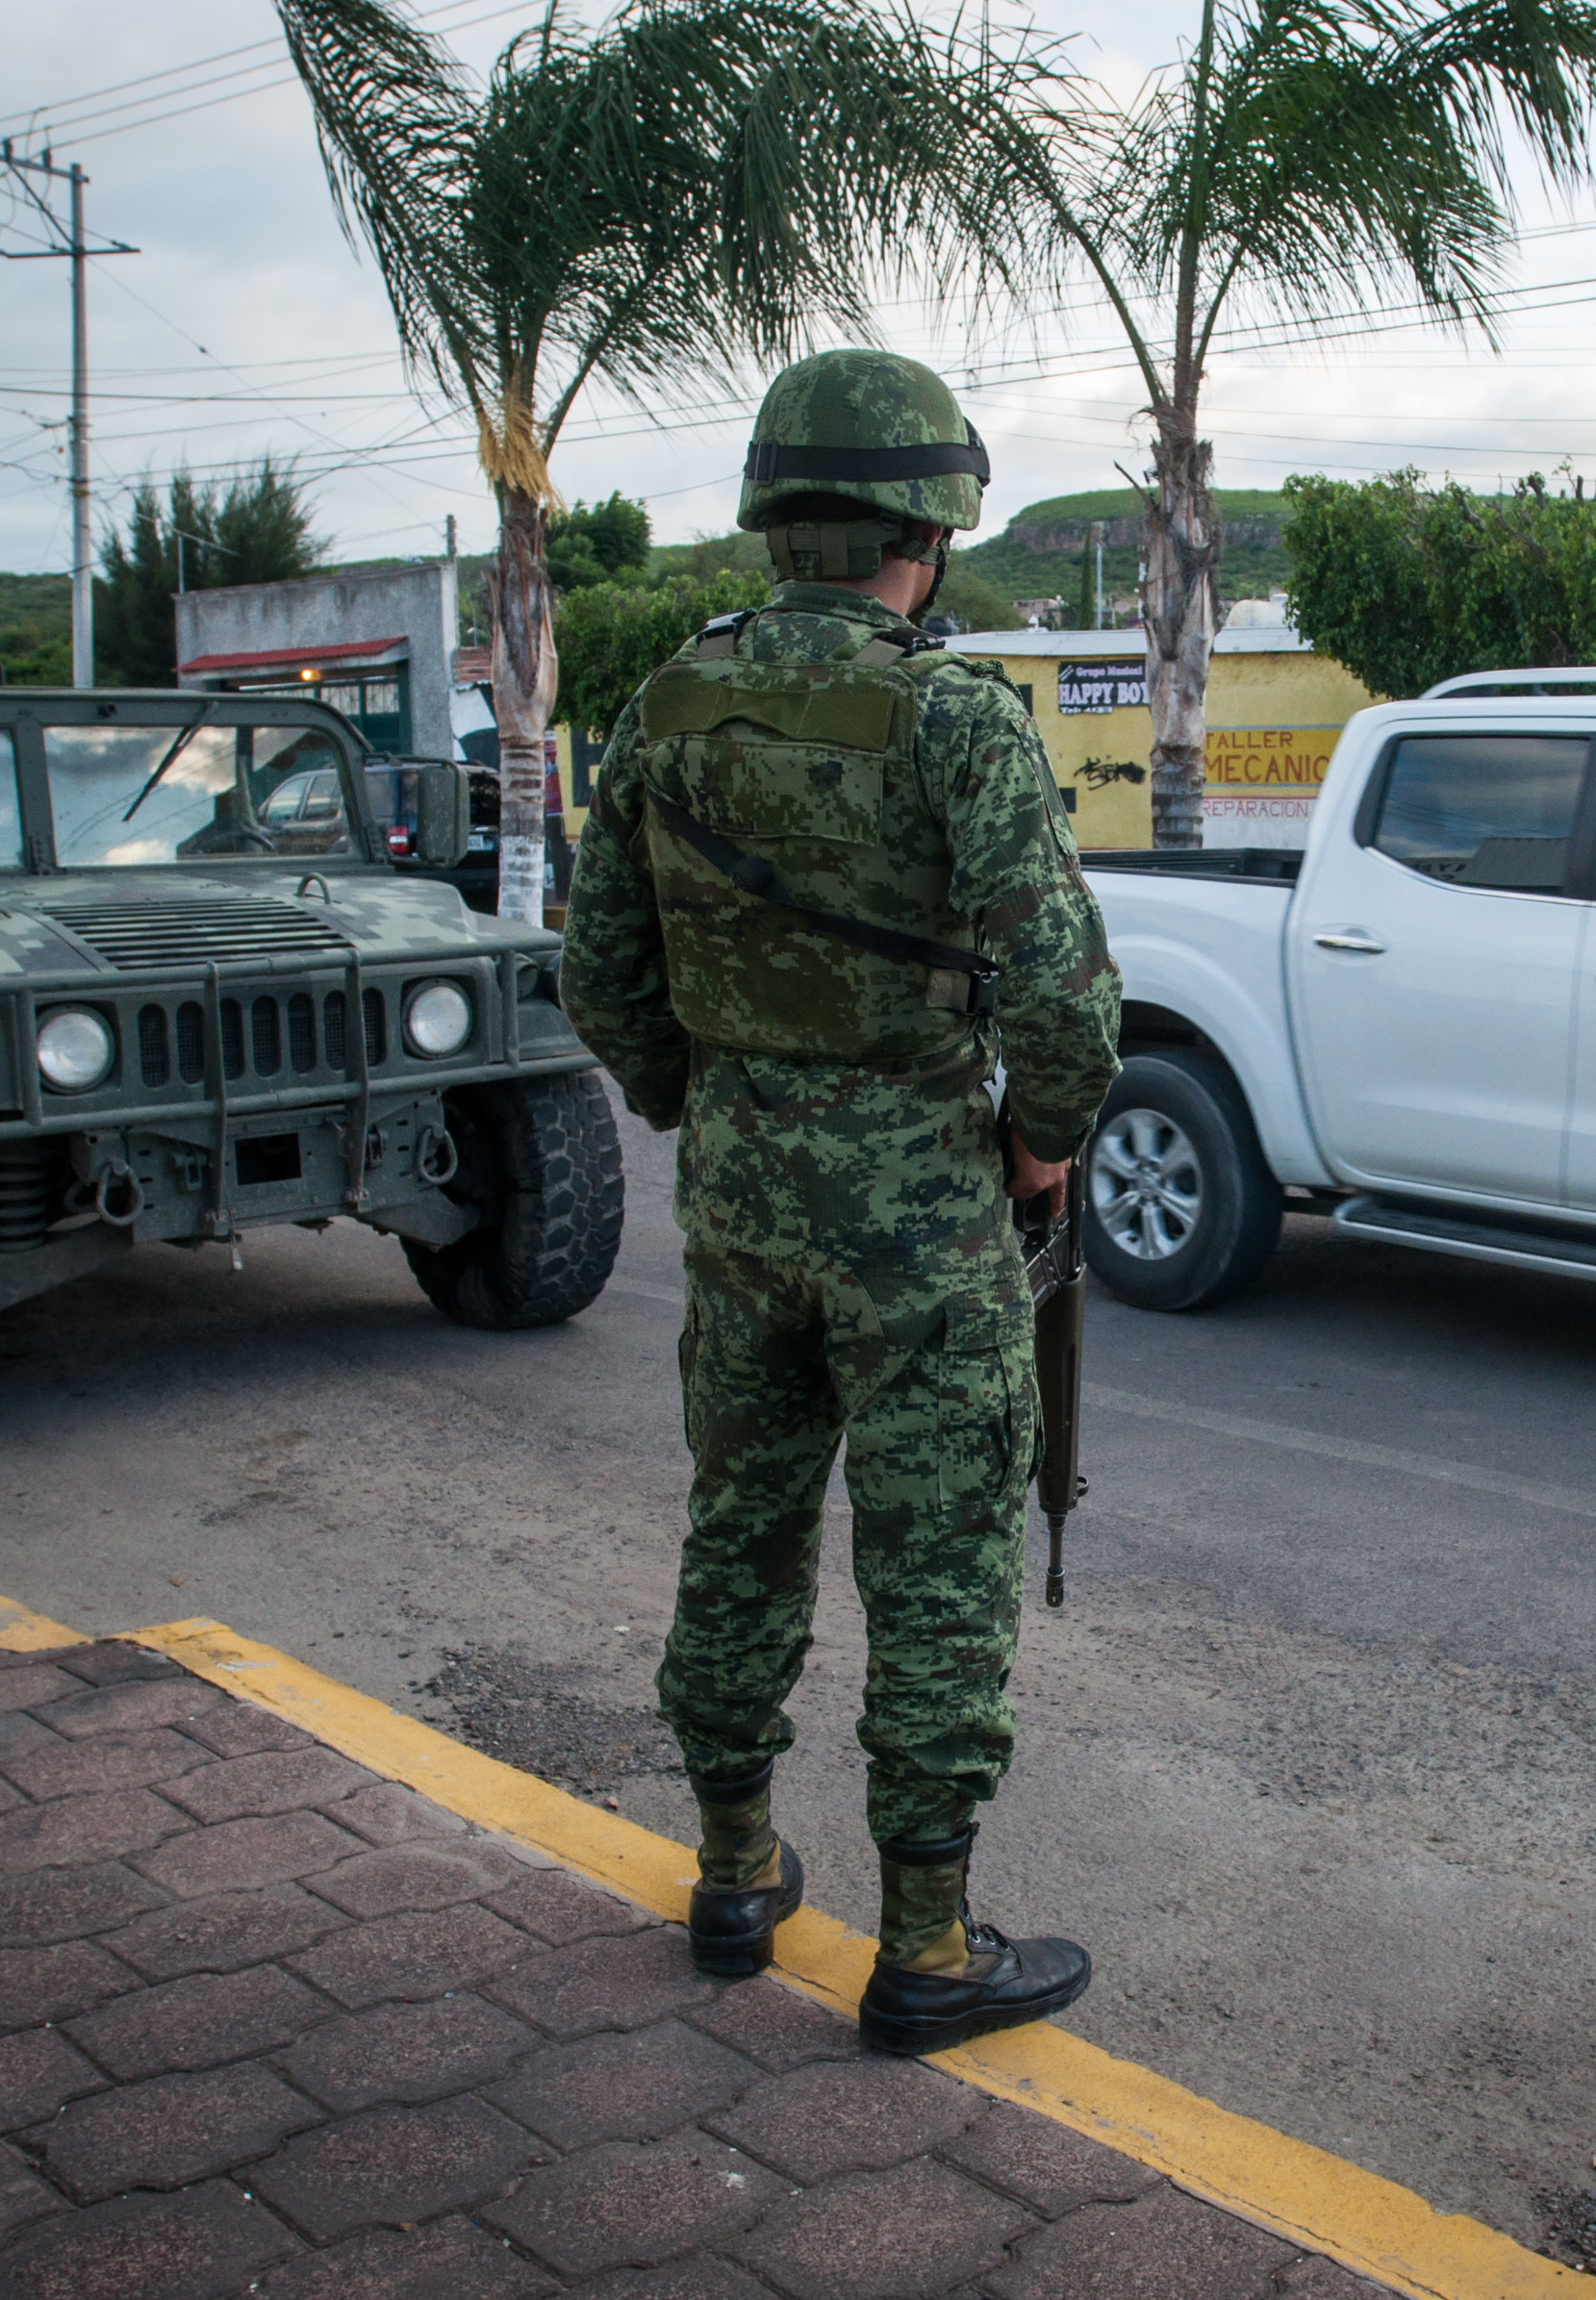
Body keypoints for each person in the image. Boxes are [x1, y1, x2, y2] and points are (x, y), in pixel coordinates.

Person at [558, 347, 1123, 2056]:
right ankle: (931, 1948)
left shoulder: (666, 705)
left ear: (775, 517)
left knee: (740, 1520)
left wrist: (703, 1102)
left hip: (735, 1196)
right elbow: (1068, 1002)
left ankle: (735, 1873)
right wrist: (1041, 1140)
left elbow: (601, 975)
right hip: (919, 1211)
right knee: (938, 1564)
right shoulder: (952, 714)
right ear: (927, 532)